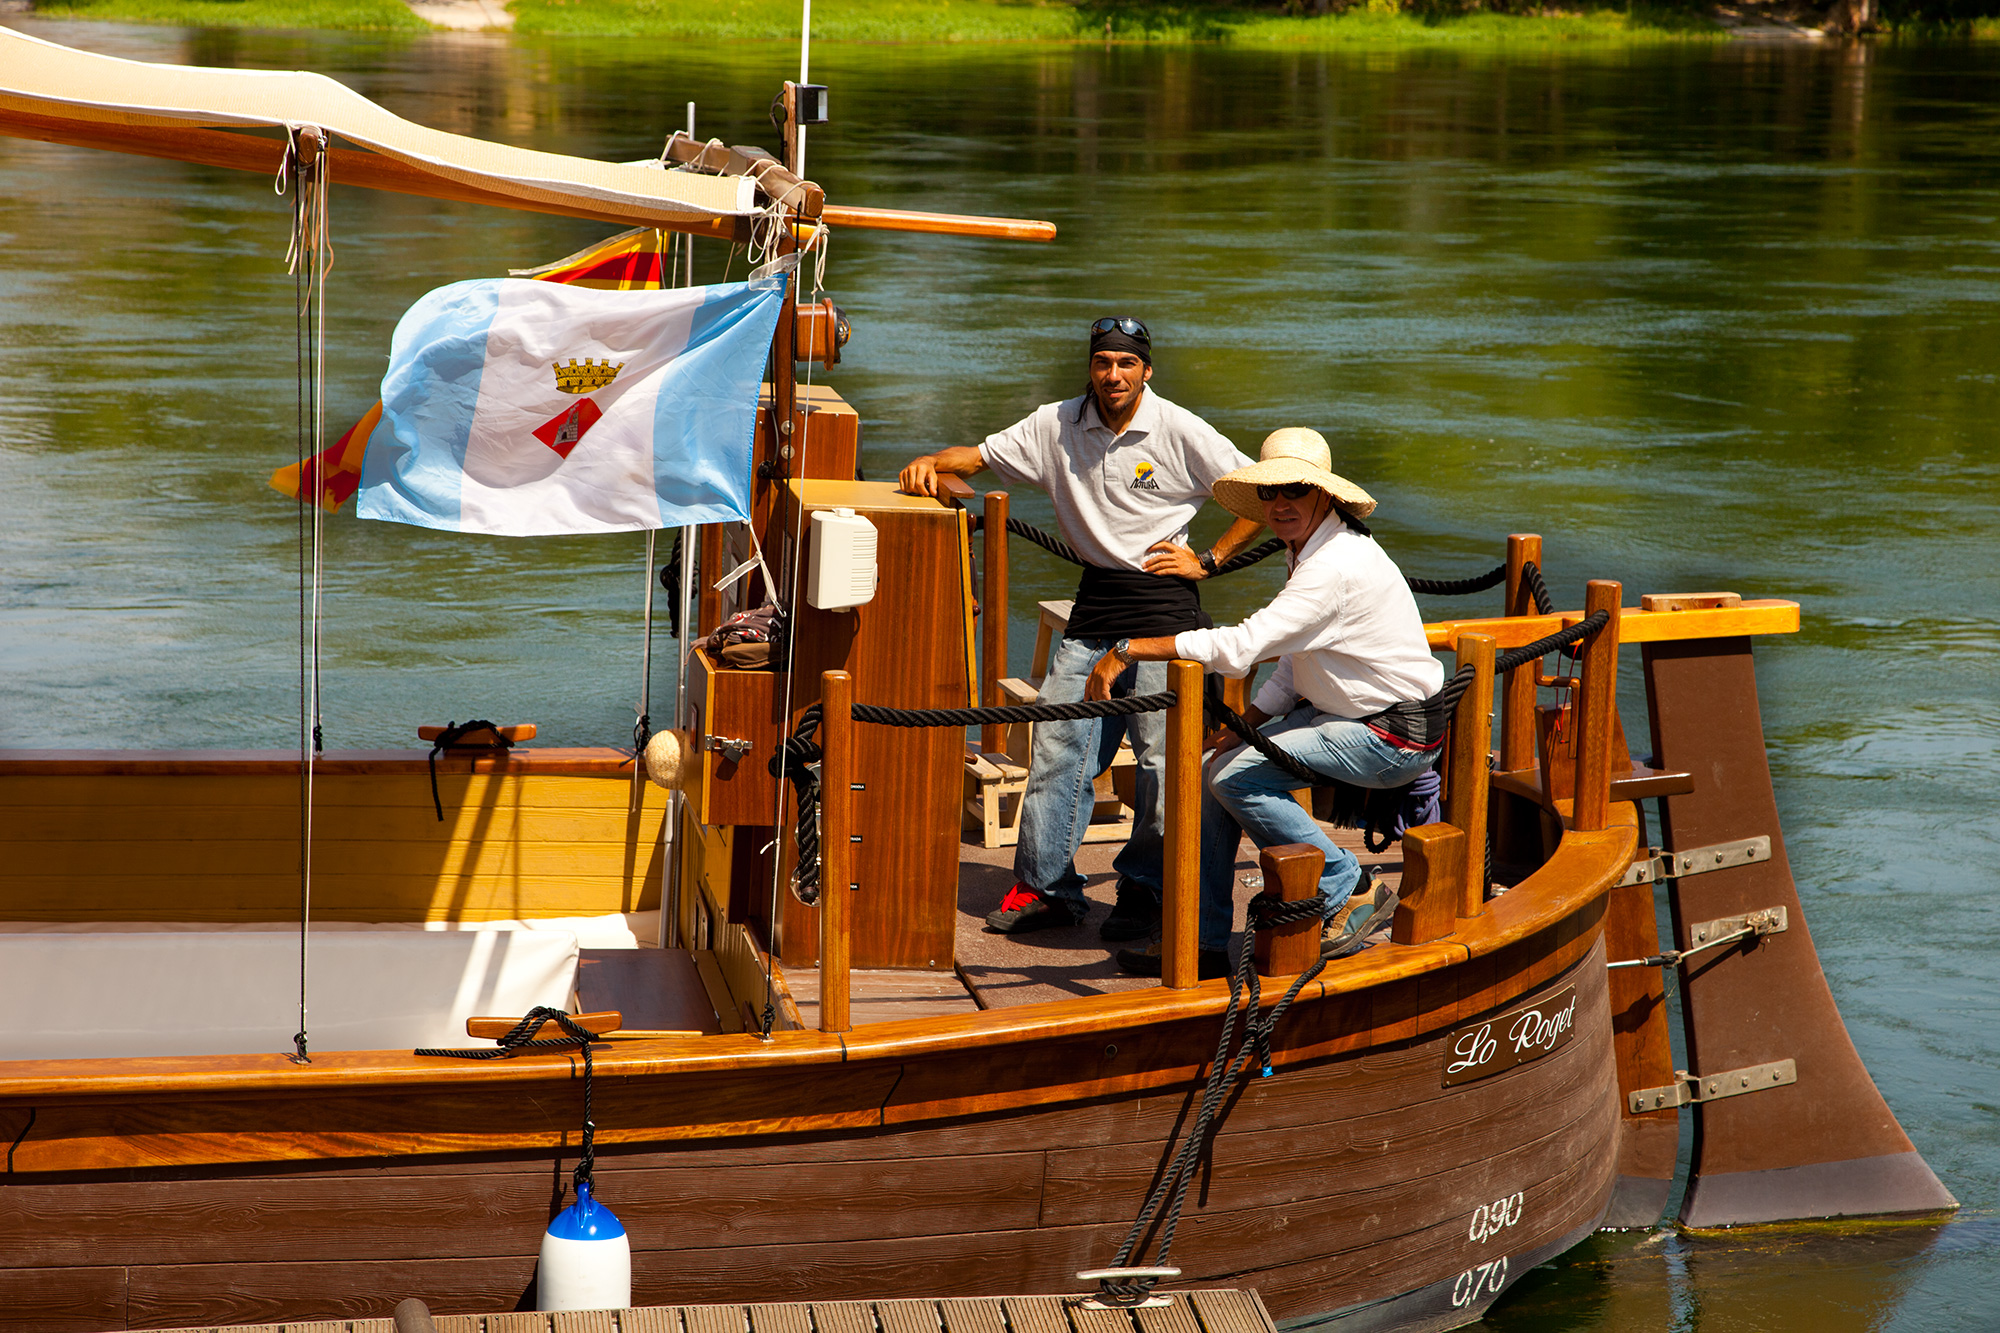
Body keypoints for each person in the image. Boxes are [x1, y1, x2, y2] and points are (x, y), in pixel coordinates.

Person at [899, 317, 1266, 939]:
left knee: (1158, 763)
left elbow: (1257, 492)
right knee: (1054, 748)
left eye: (1126, 364)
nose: (1113, 375)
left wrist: (1209, 560)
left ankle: (1147, 891)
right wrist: (929, 463)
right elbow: (978, 458)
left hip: (1163, 613)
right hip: (1095, 609)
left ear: (1146, 371)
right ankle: (1047, 889)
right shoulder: (1057, 423)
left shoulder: (1178, 428)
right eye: (1103, 363)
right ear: (1091, 369)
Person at [1083, 428, 1446, 979]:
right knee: (1215, 768)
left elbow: (1240, 648)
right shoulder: (1310, 547)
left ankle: (1350, 885)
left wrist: (1127, 649)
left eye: (1294, 491)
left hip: (1392, 733)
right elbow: (1293, 660)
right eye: (1270, 493)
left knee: (1235, 778)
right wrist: (1245, 725)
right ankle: (1203, 940)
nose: (1280, 505)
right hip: (1345, 713)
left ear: (1324, 495)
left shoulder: (1333, 565)